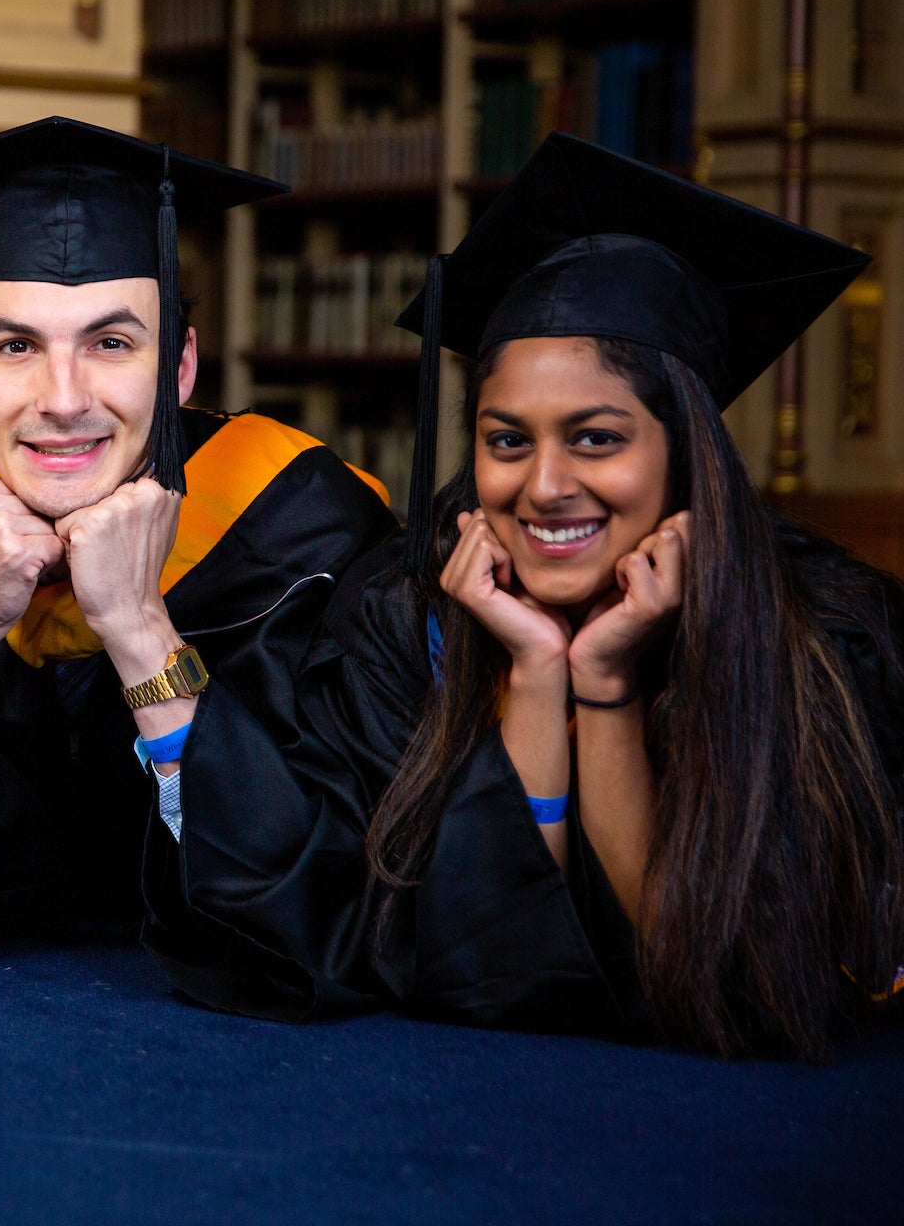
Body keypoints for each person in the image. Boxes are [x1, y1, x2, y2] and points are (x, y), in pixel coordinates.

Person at [161, 134, 904, 1058]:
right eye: (506, 440)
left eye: (596, 439)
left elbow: (745, 998)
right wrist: (537, 673)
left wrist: (606, 684)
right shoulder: (400, 619)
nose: (544, 484)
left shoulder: (824, 637)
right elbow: (463, 968)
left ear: (687, 456)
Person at [0, 116, 396, 958]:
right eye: (15, 346)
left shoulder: (299, 523)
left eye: (112, 343)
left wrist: (139, 626)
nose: (65, 397)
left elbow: (299, 917)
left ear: (180, 368)